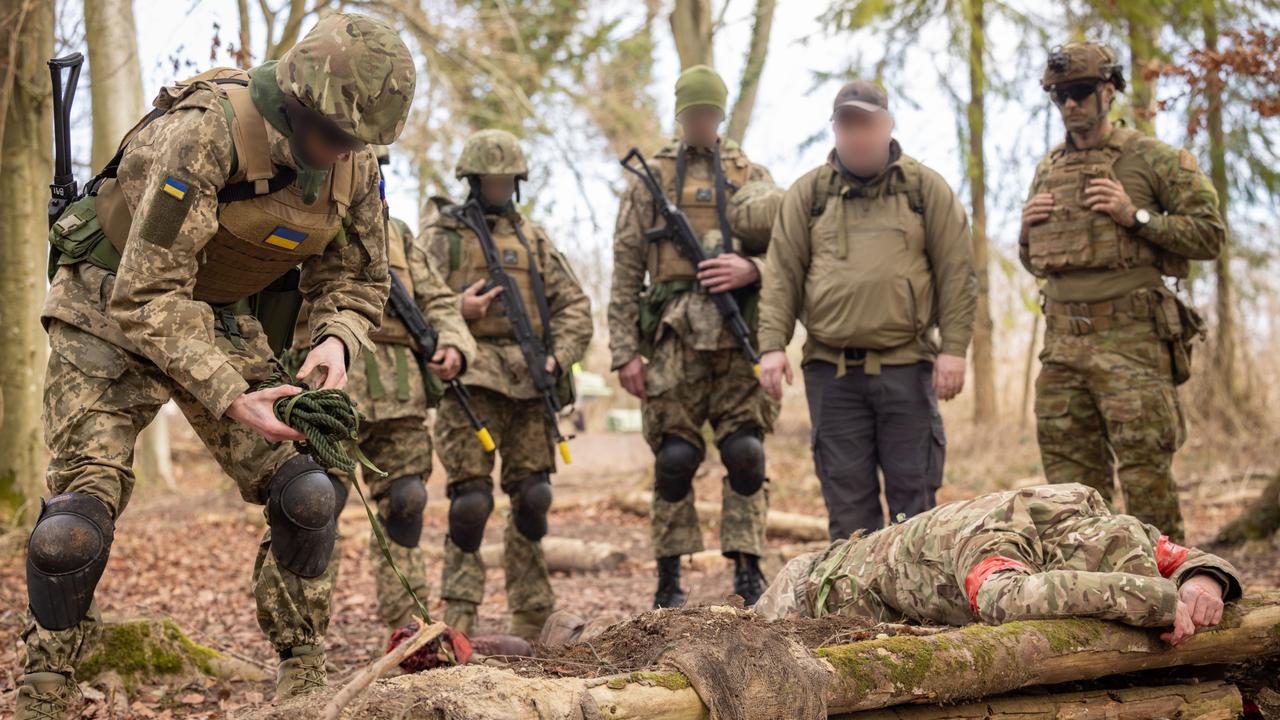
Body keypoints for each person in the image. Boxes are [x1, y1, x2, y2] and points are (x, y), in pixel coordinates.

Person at [17, 13, 415, 718]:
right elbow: (147, 297)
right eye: (331, 133)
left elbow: (358, 282)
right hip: (108, 308)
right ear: (293, 99)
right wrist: (232, 393)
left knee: (310, 492)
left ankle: (301, 663)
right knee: (70, 529)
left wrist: (336, 339)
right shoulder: (204, 131)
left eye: (357, 140)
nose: (341, 152)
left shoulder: (354, 163)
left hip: (221, 314)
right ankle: (47, 682)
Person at [1020, 43, 1225, 542]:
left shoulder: (1153, 159)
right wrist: (1025, 233)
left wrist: (1135, 216)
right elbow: (1038, 262)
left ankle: (1171, 591)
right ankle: (1094, 599)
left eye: (1081, 92)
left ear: (1108, 90)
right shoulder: (1048, 168)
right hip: (1063, 345)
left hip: (1133, 342)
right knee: (1069, 495)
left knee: (1147, 482)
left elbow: (1209, 235)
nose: (1070, 104)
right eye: (1060, 95)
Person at [757, 80, 977, 539]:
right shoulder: (809, 194)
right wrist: (772, 346)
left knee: (912, 504)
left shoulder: (924, 190)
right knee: (848, 508)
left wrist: (954, 349)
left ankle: (916, 609)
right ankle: (854, 610)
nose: (859, 135)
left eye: (868, 124)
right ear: (835, 131)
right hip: (832, 376)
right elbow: (781, 275)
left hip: (907, 368)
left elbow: (957, 273)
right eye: (848, 125)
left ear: (888, 125)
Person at [609, 65, 781, 608]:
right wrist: (623, 352)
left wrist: (752, 271)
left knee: (746, 453)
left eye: (710, 115)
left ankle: (748, 569)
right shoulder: (650, 179)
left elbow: (790, 254)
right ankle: (668, 576)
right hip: (671, 339)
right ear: (680, 116)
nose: (701, 124)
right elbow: (625, 267)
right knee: (674, 460)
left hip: (737, 335)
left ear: (722, 116)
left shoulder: (753, 175)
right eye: (692, 116)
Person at [291, 146, 476, 633]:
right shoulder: (301, 219)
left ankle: (408, 627)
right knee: (316, 504)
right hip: (326, 394)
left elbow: (440, 300)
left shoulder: (401, 238)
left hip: (401, 394)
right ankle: (305, 639)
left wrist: (454, 344)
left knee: (409, 500)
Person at [425, 129, 592, 642]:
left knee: (533, 496)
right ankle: (459, 617)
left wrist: (557, 358)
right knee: (470, 503)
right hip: (469, 382)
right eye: (488, 179)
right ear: (472, 180)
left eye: (505, 179)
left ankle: (533, 612)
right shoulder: (442, 237)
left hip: (529, 383)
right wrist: (461, 311)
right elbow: (412, 301)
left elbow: (576, 308)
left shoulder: (532, 240)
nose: (497, 186)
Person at [754, 483, 1241, 648]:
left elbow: (1182, 558)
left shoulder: (1099, 522)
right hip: (808, 593)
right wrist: (1152, 600)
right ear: (1062, 563)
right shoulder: (996, 539)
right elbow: (1003, 600)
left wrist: (1203, 584)